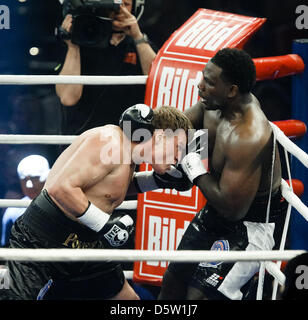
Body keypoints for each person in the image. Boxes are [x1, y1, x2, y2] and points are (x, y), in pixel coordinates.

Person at [6, 104, 192, 300]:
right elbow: (60, 189)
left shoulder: (130, 155)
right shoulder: (110, 142)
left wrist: (156, 180)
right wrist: (103, 224)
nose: (177, 157)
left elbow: (109, 189)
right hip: (43, 237)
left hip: (85, 242)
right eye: (178, 147)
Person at [158, 48, 288, 300]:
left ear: (231, 90)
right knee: (172, 283)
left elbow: (232, 209)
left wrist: (192, 168)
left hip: (250, 226)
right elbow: (180, 125)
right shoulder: (213, 105)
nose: (200, 86)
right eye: (202, 77)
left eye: (209, 82)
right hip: (215, 212)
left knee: (200, 297)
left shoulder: (248, 135)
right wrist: (157, 141)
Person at [56, 0, 157, 136]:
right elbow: (68, 98)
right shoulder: (79, 42)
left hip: (129, 138)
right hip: (82, 137)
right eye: (112, 3)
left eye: (124, 4)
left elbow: (159, 85)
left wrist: (138, 37)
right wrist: (73, 45)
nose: (117, 10)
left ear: (136, 8)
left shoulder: (142, 45)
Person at [1, 155, 50, 247]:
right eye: (24, 179)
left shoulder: (62, 206)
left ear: (48, 176)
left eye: (35, 178)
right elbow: (6, 249)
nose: (29, 185)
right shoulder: (12, 212)